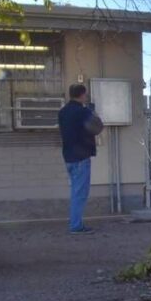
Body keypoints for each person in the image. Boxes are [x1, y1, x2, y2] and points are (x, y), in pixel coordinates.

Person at [58, 83, 103, 234]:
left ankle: (76, 223)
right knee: (80, 193)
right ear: (82, 94)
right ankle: (76, 225)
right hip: (81, 156)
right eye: (85, 94)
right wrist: (92, 112)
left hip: (68, 155)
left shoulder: (63, 112)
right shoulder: (83, 112)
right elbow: (97, 128)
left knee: (76, 190)